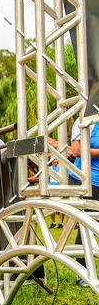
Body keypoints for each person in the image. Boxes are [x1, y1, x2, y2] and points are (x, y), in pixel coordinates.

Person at [69, 117, 99, 287]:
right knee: (87, 225)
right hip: (87, 180)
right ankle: (82, 271)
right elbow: (77, 150)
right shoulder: (84, 119)